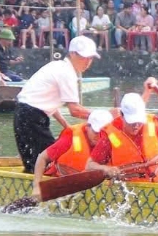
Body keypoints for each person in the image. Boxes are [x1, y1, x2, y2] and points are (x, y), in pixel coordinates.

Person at [12, 36, 98, 173]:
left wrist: (65, 125)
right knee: (49, 162)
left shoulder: (57, 66)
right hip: (31, 117)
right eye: (84, 57)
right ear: (72, 54)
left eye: (91, 58)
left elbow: (47, 103)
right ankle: (42, 190)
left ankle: (33, 185)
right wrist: (102, 116)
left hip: (24, 114)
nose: (87, 62)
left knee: (36, 164)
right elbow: (75, 110)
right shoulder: (67, 73)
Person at [94, 92, 158, 182]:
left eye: (139, 121)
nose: (136, 125)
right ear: (122, 115)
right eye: (132, 122)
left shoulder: (153, 129)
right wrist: (106, 169)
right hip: (126, 187)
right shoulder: (110, 136)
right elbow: (90, 165)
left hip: (156, 187)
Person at [28, 110, 117, 198]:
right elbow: (42, 158)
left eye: (104, 133)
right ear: (87, 127)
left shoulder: (112, 141)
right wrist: (37, 187)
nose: (99, 137)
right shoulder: (70, 139)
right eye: (96, 132)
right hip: (61, 183)